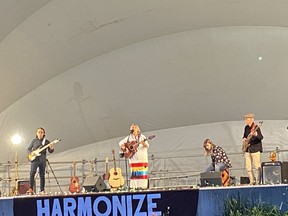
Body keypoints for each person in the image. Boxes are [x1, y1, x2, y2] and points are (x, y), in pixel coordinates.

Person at [119, 123, 149, 189]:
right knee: (134, 174)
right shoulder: (128, 137)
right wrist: (123, 146)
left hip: (142, 158)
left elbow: (147, 146)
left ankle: (143, 187)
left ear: (137, 129)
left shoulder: (142, 137)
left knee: (142, 174)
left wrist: (143, 144)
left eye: (134, 127)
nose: (132, 129)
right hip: (133, 159)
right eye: (131, 127)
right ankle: (134, 188)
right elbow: (120, 143)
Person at [27, 127, 54, 194]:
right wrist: (31, 153)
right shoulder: (34, 141)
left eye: (41, 132)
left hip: (42, 159)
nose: (40, 133)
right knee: (32, 173)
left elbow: (50, 151)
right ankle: (30, 188)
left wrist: (51, 148)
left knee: (42, 175)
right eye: (39, 132)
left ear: (44, 134)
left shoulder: (47, 142)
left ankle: (42, 190)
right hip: (34, 159)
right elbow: (28, 149)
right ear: (36, 133)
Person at [242, 113, 263, 185]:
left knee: (257, 166)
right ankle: (252, 180)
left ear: (251, 119)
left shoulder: (256, 127)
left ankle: (258, 181)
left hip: (255, 149)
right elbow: (244, 136)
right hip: (248, 149)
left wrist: (256, 135)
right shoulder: (246, 128)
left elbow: (261, 137)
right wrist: (244, 139)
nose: (245, 120)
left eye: (246, 119)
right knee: (248, 167)